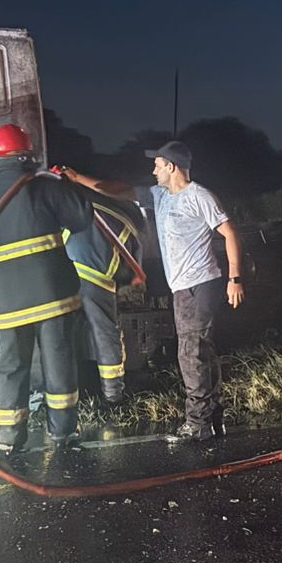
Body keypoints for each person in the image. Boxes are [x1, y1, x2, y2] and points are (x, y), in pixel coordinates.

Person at [62, 140, 244, 441]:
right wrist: (77, 178)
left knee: (191, 352)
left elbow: (230, 233)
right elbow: (116, 189)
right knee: (202, 352)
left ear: (171, 166)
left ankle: (197, 424)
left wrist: (234, 279)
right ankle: (213, 418)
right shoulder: (158, 195)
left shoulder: (200, 196)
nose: (153, 169)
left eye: (158, 164)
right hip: (182, 286)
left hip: (201, 284)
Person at [0, 123, 96, 454]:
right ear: (28, 155)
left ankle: (9, 439)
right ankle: (64, 433)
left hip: (7, 304)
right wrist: (67, 185)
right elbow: (83, 218)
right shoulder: (44, 187)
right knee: (59, 363)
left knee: (10, 367)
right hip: (54, 298)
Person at [58, 179, 145, 406]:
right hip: (96, 279)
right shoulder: (128, 224)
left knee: (59, 334)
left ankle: (63, 396)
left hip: (62, 270)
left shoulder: (79, 204)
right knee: (105, 332)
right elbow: (133, 274)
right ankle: (113, 395)